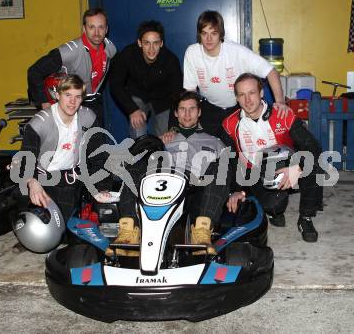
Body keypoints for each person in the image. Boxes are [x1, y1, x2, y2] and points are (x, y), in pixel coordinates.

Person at [105, 91, 229, 257]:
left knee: (222, 165)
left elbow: (227, 176)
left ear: (199, 112)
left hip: (196, 191)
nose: (187, 114)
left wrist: (237, 191)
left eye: (192, 109)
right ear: (176, 113)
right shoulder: (163, 140)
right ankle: (129, 230)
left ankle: (201, 231)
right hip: (161, 184)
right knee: (139, 160)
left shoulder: (215, 142)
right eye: (182, 109)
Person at [223, 73, 323, 242]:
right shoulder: (229, 124)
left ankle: (306, 218)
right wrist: (235, 190)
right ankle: (276, 211)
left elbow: (313, 146)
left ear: (261, 93)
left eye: (252, 93)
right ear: (236, 99)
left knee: (314, 164)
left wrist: (297, 168)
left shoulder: (282, 115)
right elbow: (230, 160)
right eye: (242, 95)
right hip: (256, 173)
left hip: (287, 164)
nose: (247, 100)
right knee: (274, 204)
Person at [17, 74, 111, 223]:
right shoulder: (39, 123)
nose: (72, 102)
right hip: (42, 179)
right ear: (58, 95)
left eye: (78, 97)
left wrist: (102, 187)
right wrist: (32, 182)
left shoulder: (88, 117)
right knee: (37, 221)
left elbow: (98, 155)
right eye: (68, 95)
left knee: (75, 225)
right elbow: (26, 159)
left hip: (73, 178)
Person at [180, 10, 287, 135]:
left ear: (221, 34)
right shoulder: (192, 53)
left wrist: (280, 102)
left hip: (237, 108)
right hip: (209, 107)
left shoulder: (236, 51)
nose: (208, 39)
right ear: (199, 34)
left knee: (237, 149)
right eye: (204, 33)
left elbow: (271, 71)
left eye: (213, 33)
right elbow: (190, 92)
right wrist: (191, 117)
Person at [27, 8, 116, 123]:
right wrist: (44, 102)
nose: (96, 33)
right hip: (68, 105)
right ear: (84, 29)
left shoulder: (111, 50)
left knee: (97, 139)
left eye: (101, 27)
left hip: (94, 103)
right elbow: (34, 72)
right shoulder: (68, 52)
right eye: (91, 27)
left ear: (106, 29)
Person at [110, 20, 182, 138]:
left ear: (161, 43)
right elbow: (115, 84)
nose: (151, 48)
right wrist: (132, 109)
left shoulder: (171, 60)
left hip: (163, 100)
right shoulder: (128, 54)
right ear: (139, 43)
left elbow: (177, 94)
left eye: (155, 43)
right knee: (138, 128)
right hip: (138, 96)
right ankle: (139, 155)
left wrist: (174, 127)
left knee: (167, 139)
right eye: (147, 43)